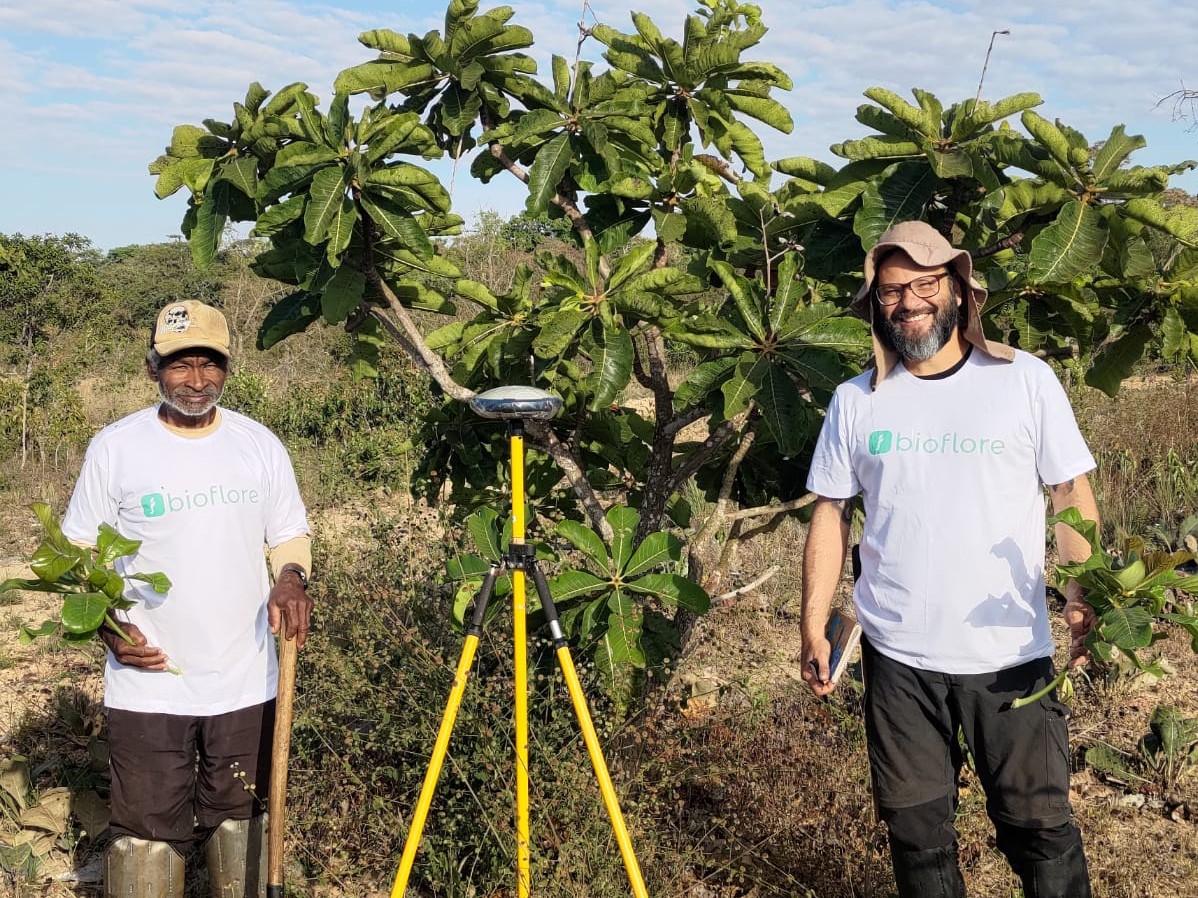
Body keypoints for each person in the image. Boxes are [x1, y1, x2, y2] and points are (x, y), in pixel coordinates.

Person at [799, 221, 1099, 898]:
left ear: (960, 289)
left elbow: (1071, 493)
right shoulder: (855, 400)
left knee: (1040, 832)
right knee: (918, 841)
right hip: (898, 660)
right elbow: (829, 512)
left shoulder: (1024, 381)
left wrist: (1085, 598)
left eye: (924, 285)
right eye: (891, 292)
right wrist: (812, 622)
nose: (908, 303)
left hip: (1010, 657)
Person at [62, 300, 312, 898]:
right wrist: (110, 630)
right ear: (154, 369)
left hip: (247, 676)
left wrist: (292, 578)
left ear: (227, 368)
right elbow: (77, 552)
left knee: (241, 820)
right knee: (145, 836)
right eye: (180, 365)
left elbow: (288, 534)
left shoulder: (258, 444)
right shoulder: (116, 447)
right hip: (149, 680)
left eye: (209, 364)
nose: (196, 380)